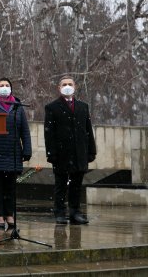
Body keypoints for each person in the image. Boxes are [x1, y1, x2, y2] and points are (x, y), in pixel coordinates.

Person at [0, 77, 32, 229]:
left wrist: (27, 150)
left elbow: (25, 130)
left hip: (13, 153)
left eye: (7, 85)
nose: (4, 87)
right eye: (1, 85)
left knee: (10, 187)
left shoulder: (17, 107)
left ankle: (9, 214)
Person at [44, 75, 96, 225]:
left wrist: (91, 151)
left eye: (70, 84)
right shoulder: (52, 107)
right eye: (64, 84)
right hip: (61, 153)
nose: (67, 86)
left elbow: (88, 130)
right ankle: (59, 212)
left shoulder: (82, 106)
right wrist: (51, 153)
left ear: (75, 87)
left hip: (79, 152)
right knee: (61, 185)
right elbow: (49, 133)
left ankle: (75, 212)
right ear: (59, 88)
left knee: (76, 185)